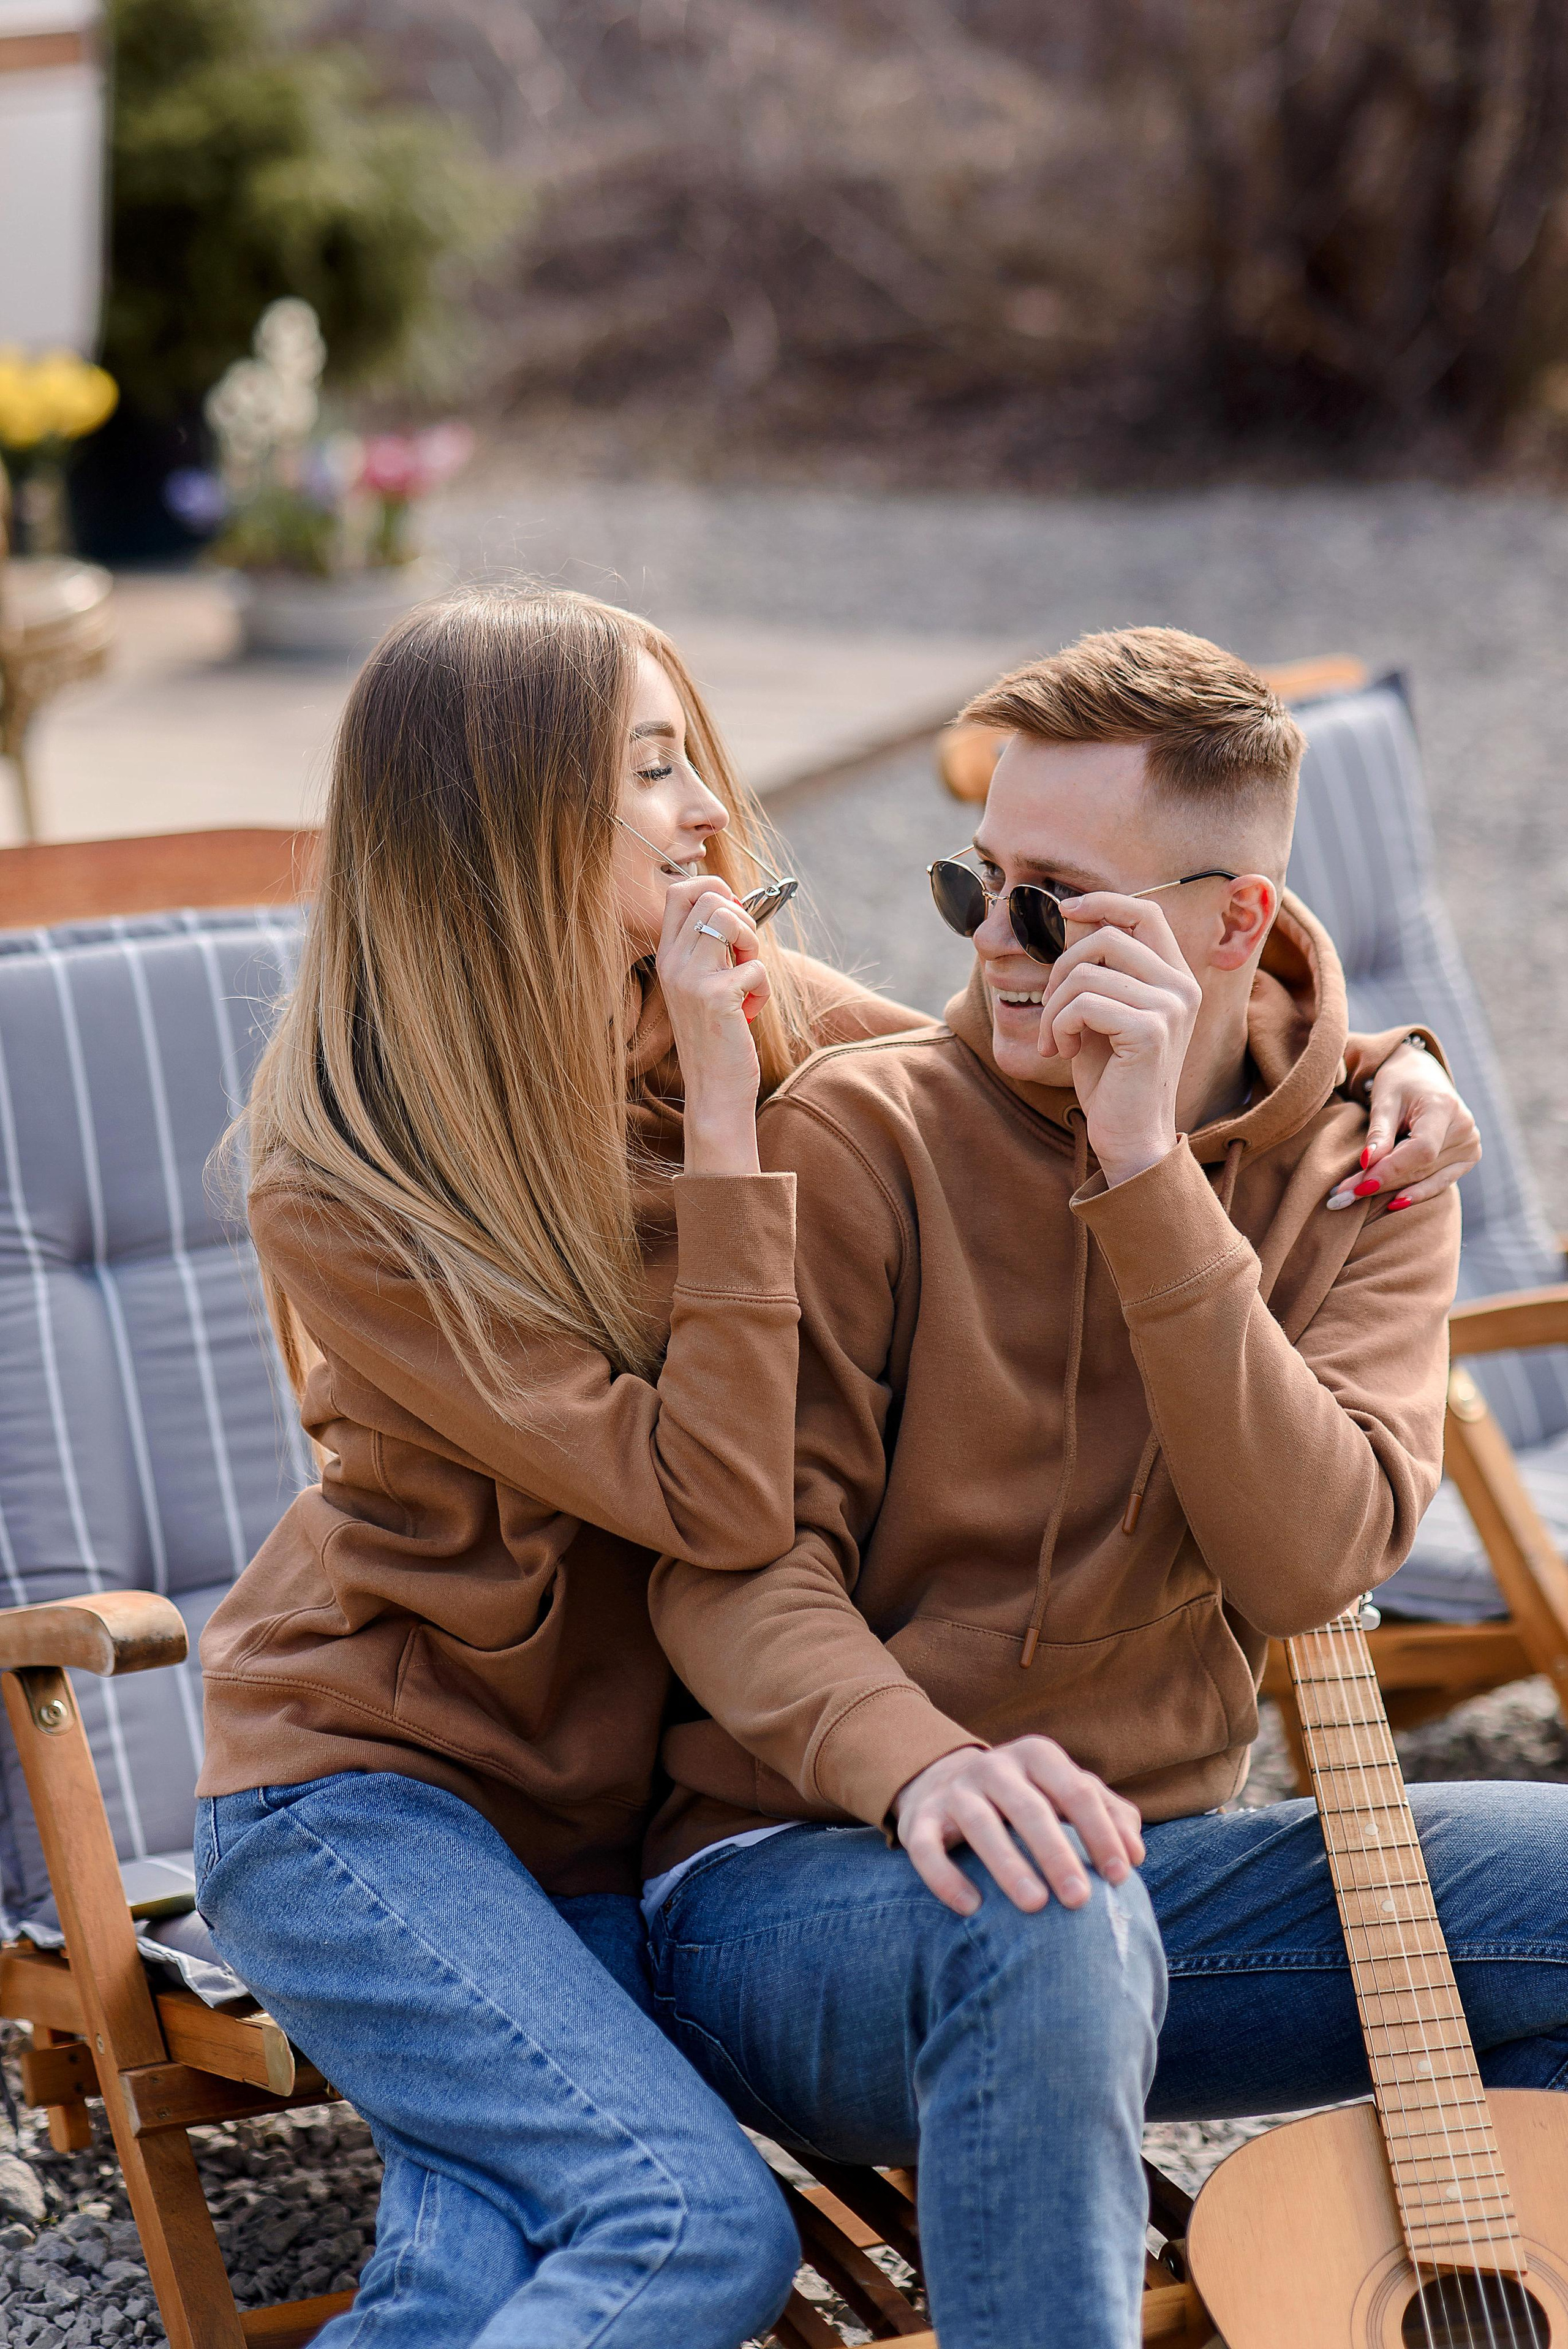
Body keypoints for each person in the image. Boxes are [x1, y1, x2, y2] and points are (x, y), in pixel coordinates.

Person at [194, 589, 1472, 2346]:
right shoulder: (351, 1180)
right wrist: (728, 1126)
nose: (713, 806)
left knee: (486, 2247)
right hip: (387, 1791)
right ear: (511, 831)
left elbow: (1030, 1054)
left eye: (692, 757)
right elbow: (718, 1509)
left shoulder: (760, 1002)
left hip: (599, 1818)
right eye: (653, 772)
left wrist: (1364, 1059)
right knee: (679, 2223)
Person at [642, 628, 1568, 2349]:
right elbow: (731, 1570)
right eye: (975, 887)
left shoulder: (1373, 1163)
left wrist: (1149, 1176)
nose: (995, 949)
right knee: (1045, 1911)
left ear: (1237, 925)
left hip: (1152, 1878)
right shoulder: (864, 1141)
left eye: (1053, 906)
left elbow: (1309, 1566)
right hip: (791, 1892)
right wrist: (934, 1764)